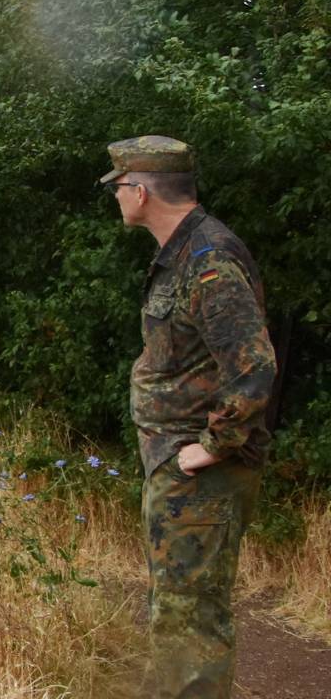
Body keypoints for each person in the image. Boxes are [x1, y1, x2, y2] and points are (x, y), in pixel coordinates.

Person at [101, 135, 276, 698]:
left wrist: (213, 444)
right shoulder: (184, 251)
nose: (117, 197)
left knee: (190, 620)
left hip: (201, 475)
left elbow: (253, 369)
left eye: (118, 186)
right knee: (175, 612)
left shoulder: (208, 261)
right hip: (178, 470)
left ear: (141, 190)